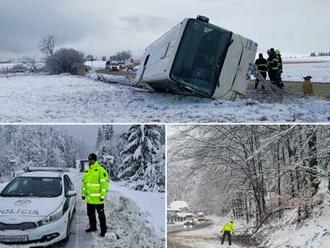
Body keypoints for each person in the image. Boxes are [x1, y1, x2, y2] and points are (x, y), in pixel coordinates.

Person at [82, 153, 110, 237]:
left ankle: (103, 230)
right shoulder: (87, 171)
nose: (91, 161)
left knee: (101, 216)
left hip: (98, 199)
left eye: (92, 159)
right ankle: (93, 227)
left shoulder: (100, 170)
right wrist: (83, 194)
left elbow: (104, 184)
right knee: (90, 214)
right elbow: (84, 184)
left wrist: (102, 195)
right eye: (89, 160)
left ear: (95, 160)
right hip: (89, 199)